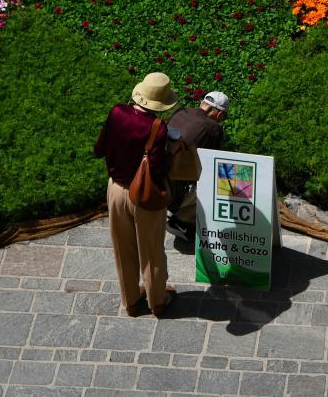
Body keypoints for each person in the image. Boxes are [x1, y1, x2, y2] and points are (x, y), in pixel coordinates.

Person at [94, 72, 178, 317]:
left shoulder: (117, 112)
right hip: (145, 196)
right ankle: (157, 301)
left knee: (123, 248)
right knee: (151, 251)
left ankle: (130, 301)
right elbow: (157, 169)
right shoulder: (158, 128)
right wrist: (171, 150)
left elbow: (100, 149)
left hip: (116, 190)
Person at [165, 91, 229, 241]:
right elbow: (210, 163)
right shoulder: (213, 128)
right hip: (174, 192)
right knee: (219, 181)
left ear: (202, 103)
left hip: (154, 176)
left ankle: (177, 212)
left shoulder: (180, 110)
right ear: (220, 115)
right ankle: (182, 220)